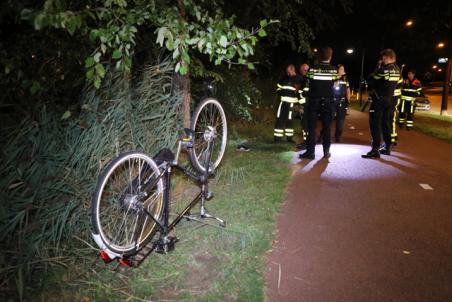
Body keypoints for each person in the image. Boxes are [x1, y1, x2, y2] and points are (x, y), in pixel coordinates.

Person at [300, 47, 338, 159]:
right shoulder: (333, 70)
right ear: (330, 57)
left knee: (311, 127)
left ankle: (310, 152)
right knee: (327, 127)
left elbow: (307, 82)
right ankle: (326, 152)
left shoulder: (312, 69)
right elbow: (335, 84)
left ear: (319, 57)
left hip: (314, 101)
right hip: (328, 101)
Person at [362, 49, 401, 158]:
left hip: (379, 100)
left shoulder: (383, 70)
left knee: (374, 124)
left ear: (387, 57)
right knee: (386, 123)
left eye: (383, 58)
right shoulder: (398, 70)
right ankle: (387, 147)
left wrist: (378, 67)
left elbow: (370, 79)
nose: (382, 60)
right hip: (390, 100)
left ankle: (375, 149)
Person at [274, 64, 300, 142]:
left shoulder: (298, 79)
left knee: (290, 121)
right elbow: (278, 88)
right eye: (287, 72)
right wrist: (279, 93)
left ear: (293, 70)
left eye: (289, 72)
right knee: (280, 119)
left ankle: (289, 138)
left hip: (292, 104)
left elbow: (300, 91)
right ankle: (277, 138)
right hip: (282, 103)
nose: (288, 73)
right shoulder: (284, 78)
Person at [332, 64, 351, 142]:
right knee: (329, 119)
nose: (342, 70)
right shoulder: (333, 78)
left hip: (342, 101)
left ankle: (338, 136)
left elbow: (348, 90)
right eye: (341, 69)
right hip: (333, 100)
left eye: (343, 69)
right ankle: (323, 135)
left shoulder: (345, 79)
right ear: (337, 70)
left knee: (341, 120)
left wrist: (348, 100)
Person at [296, 63, 310, 149]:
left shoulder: (306, 79)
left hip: (306, 106)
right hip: (309, 105)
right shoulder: (308, 79)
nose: (301, 73)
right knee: (307, 125)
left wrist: (301, 106)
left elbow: (303, 93)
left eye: (302, 71)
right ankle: (308, 142)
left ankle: (306, 143)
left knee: (305, 125)